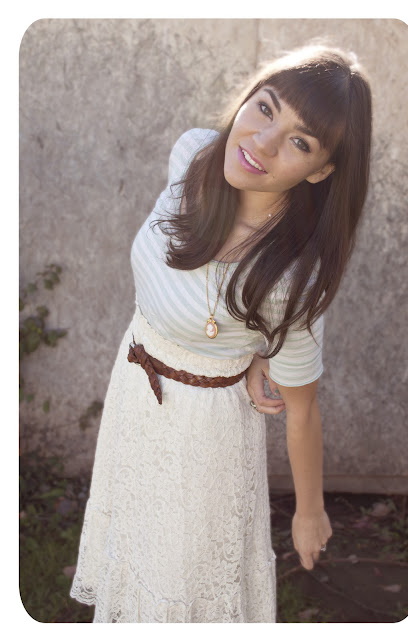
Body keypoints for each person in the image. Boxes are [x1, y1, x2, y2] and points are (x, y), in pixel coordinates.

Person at [70, 44, 372, 623]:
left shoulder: (292, 277)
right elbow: (183, 285)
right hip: (136, 390)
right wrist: (248, 347)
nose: (262, 142)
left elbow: (303, 410)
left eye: (300, 142)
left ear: (321, 170)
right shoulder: (193, 155)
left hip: (204, 437)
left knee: (183, 586)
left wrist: (310, 511)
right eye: (266, 109)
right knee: (131, 554)